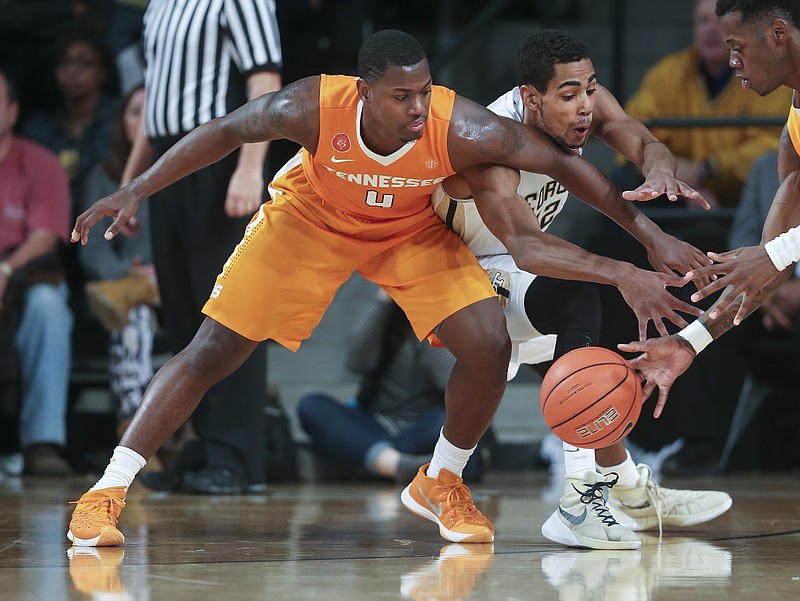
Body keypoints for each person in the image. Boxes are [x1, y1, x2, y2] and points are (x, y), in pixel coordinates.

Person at [66, 28, 695, 548]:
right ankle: (105, 492)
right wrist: (136, 188)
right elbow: (226, 132)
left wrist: (648, 238)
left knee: (486, 342)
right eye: (402, 97)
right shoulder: (308, 108)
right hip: (310, 219)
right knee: (214, 351)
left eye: (424, 91)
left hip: (408, 231)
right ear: (364, 93)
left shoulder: (463, 128)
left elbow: (566, 166)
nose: (419, 108)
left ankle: (440, 482)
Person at [433, 29, 732, 551]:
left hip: (510, 270)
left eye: (590, 89)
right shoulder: (489, 144)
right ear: (530, 98)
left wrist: (659, 166)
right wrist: (625, 271)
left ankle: (629, 493)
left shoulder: (580, 104)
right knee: (579, 300)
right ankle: (580, 500)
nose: (585, 107)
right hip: (459, 275)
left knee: (586, 360)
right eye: (569, 96)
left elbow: (632, 132)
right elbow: (526, 246)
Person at [118, 0, 283, 496]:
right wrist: (133, 184)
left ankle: (236, 455)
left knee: (232, 313)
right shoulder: (159, 8)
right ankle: (204, 447)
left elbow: (264, 83)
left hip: (219, 162)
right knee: (184, 313)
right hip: (171, 164)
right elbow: (156, 105)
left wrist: (252, 167)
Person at [619, 0, 800, 419]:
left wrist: (773, 254)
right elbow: (769, 264)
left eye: (738, 47)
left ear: (777, 33)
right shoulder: (793, 126)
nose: (732, 61)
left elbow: (774, 255)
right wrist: (689, 342)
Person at [298, 289, 484, 484]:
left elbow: (449, 381)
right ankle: (398, 466)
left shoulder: (442, 318)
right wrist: (383, 299)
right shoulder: (386, 314)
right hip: (374, 422)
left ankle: (368, 460)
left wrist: (428, 316)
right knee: (312, 406)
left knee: (449, 422)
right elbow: (355, 361)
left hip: (418, 429)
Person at [619, 0, 790, 208]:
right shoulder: (666, 74)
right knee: (623, 181)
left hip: (745, 192)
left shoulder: (766, 74)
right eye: (702, 21)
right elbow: (634, 134)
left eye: (719, 22)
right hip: (675, 188)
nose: (711, 31)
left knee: (772, 177)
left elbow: (774, 146)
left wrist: (706, 169)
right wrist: (672, 172)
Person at [0, 67, 74, 476]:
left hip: (24, 277)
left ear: (12, 111)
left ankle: (42, 441)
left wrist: (6, 270)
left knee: (49, 307)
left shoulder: (40, 163)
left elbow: (46, 235)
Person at [77, 84, 159, 439]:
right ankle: (137, 431)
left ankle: (151, 435)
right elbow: (91, 248)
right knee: (133, 318)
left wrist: (160, 276)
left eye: (149, 111)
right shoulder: (102, 177)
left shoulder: (180, 177)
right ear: (120, 122)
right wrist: (129, 276)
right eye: (133, 112)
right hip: (127, 290)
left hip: (175, 287)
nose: (141, 122)